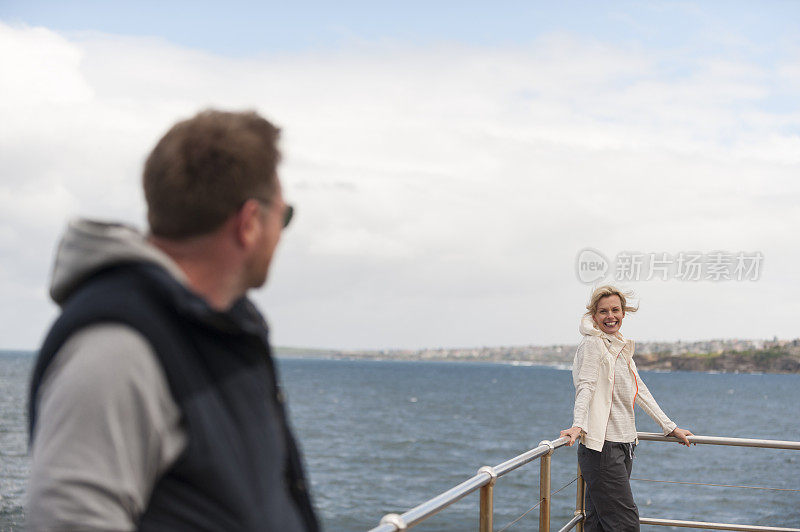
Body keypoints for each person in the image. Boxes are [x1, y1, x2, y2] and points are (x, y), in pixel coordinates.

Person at [27, 110, 319, 531]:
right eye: (284, 217)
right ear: (250, 223)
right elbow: (69, 520)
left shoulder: (224, 331)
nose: (281, 233)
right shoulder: (117, 349)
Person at [560, 285, 692, 532]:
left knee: (599, 522)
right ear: (593, 316)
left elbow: (639, 389)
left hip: (623, 444)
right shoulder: (593, 344)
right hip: (602, 449)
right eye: (603, 311)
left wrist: (670, 427)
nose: (610, 316)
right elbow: (585, 386)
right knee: (625, 523)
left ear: (623, 313)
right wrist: (577, 425)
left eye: (615, 310)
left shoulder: (618, 345)